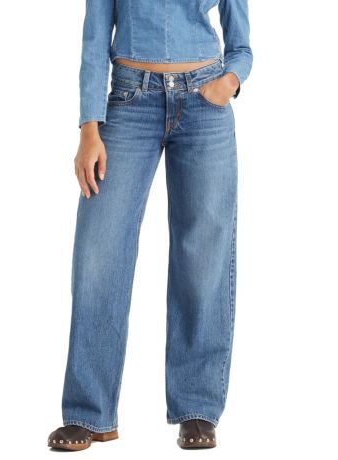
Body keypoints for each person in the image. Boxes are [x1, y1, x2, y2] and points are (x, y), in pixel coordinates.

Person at [48, 0, 253, 451]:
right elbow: (95, 36)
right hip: (129, 103)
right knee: (99, 254)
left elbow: (241, 45)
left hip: (205, 106)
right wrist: (89, 127)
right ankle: (89, 413)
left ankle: (197, 408)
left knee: (203, 259)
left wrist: (229, 81)